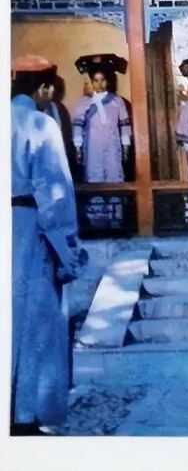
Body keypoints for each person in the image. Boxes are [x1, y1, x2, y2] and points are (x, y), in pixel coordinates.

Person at [11, 55, 88, 436]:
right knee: (34, 321)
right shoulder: (40, 124)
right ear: (42, 88)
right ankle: (26, 413)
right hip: (28, 225)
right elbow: (54, 191)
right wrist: (66, 246)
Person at [71, 54, 131, 183]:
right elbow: (77, 126)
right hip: (93, 146)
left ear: (107, 81)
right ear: (91, 82)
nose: (99, 84)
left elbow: (124, 125)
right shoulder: (84, 103)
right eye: (96, 80)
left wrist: (126, 145)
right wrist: (78, 147)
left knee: (113, 172)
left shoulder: (117, 101)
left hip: (112, 144)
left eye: (102, 80)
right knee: (94, 174)